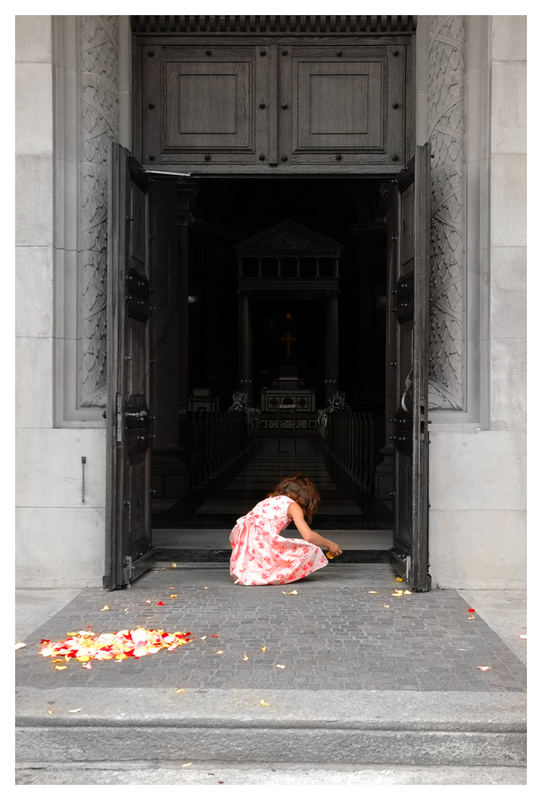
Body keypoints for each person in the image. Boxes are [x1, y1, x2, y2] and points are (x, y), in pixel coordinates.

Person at [229, 474, 343, 586]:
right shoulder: (293, 505)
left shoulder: (268, 500)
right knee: (312, 550)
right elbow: (308, 536)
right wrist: (329, 544)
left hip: (246, 545)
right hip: (262, 543)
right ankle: (274, 574)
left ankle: (251, 571)